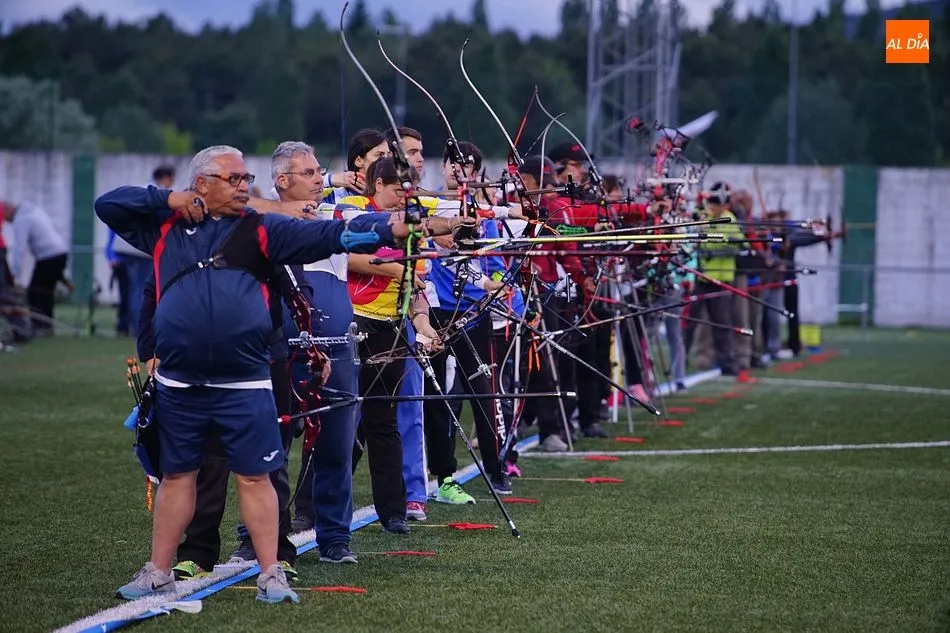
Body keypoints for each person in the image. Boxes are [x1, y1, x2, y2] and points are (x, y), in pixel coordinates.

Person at [97, 144, 419, 604]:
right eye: (234, 179)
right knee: (177, 475)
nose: (245, 185)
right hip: (181, 379)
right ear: (201, 185)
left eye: (248, 178)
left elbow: (334, 234)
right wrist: (168, 199)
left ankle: (270, 572)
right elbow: (108, 204)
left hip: (244, 377)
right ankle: (158, 570)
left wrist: (394, 226)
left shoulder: (262, 228)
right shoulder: (166, 226)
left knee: (255, 475)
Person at [106, 166, 174, 337]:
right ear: (166, 178)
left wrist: (111, 253)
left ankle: (128, 325)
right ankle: (140, 329)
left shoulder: (140, 190)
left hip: (124, 247)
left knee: (130, 289)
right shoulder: (160, 194)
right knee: (142, 289)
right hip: (140, 250)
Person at [2, 199, 70, 337]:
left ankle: (39, 326)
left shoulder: (21, 220)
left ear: (9, 211)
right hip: (60, 252)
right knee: (46, 292)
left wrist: (15, 273)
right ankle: (47, 326)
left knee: (35, 292)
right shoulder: (34, 210)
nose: (5, 221)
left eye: (4, 216)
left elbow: (19, 249)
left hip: (47, 256)